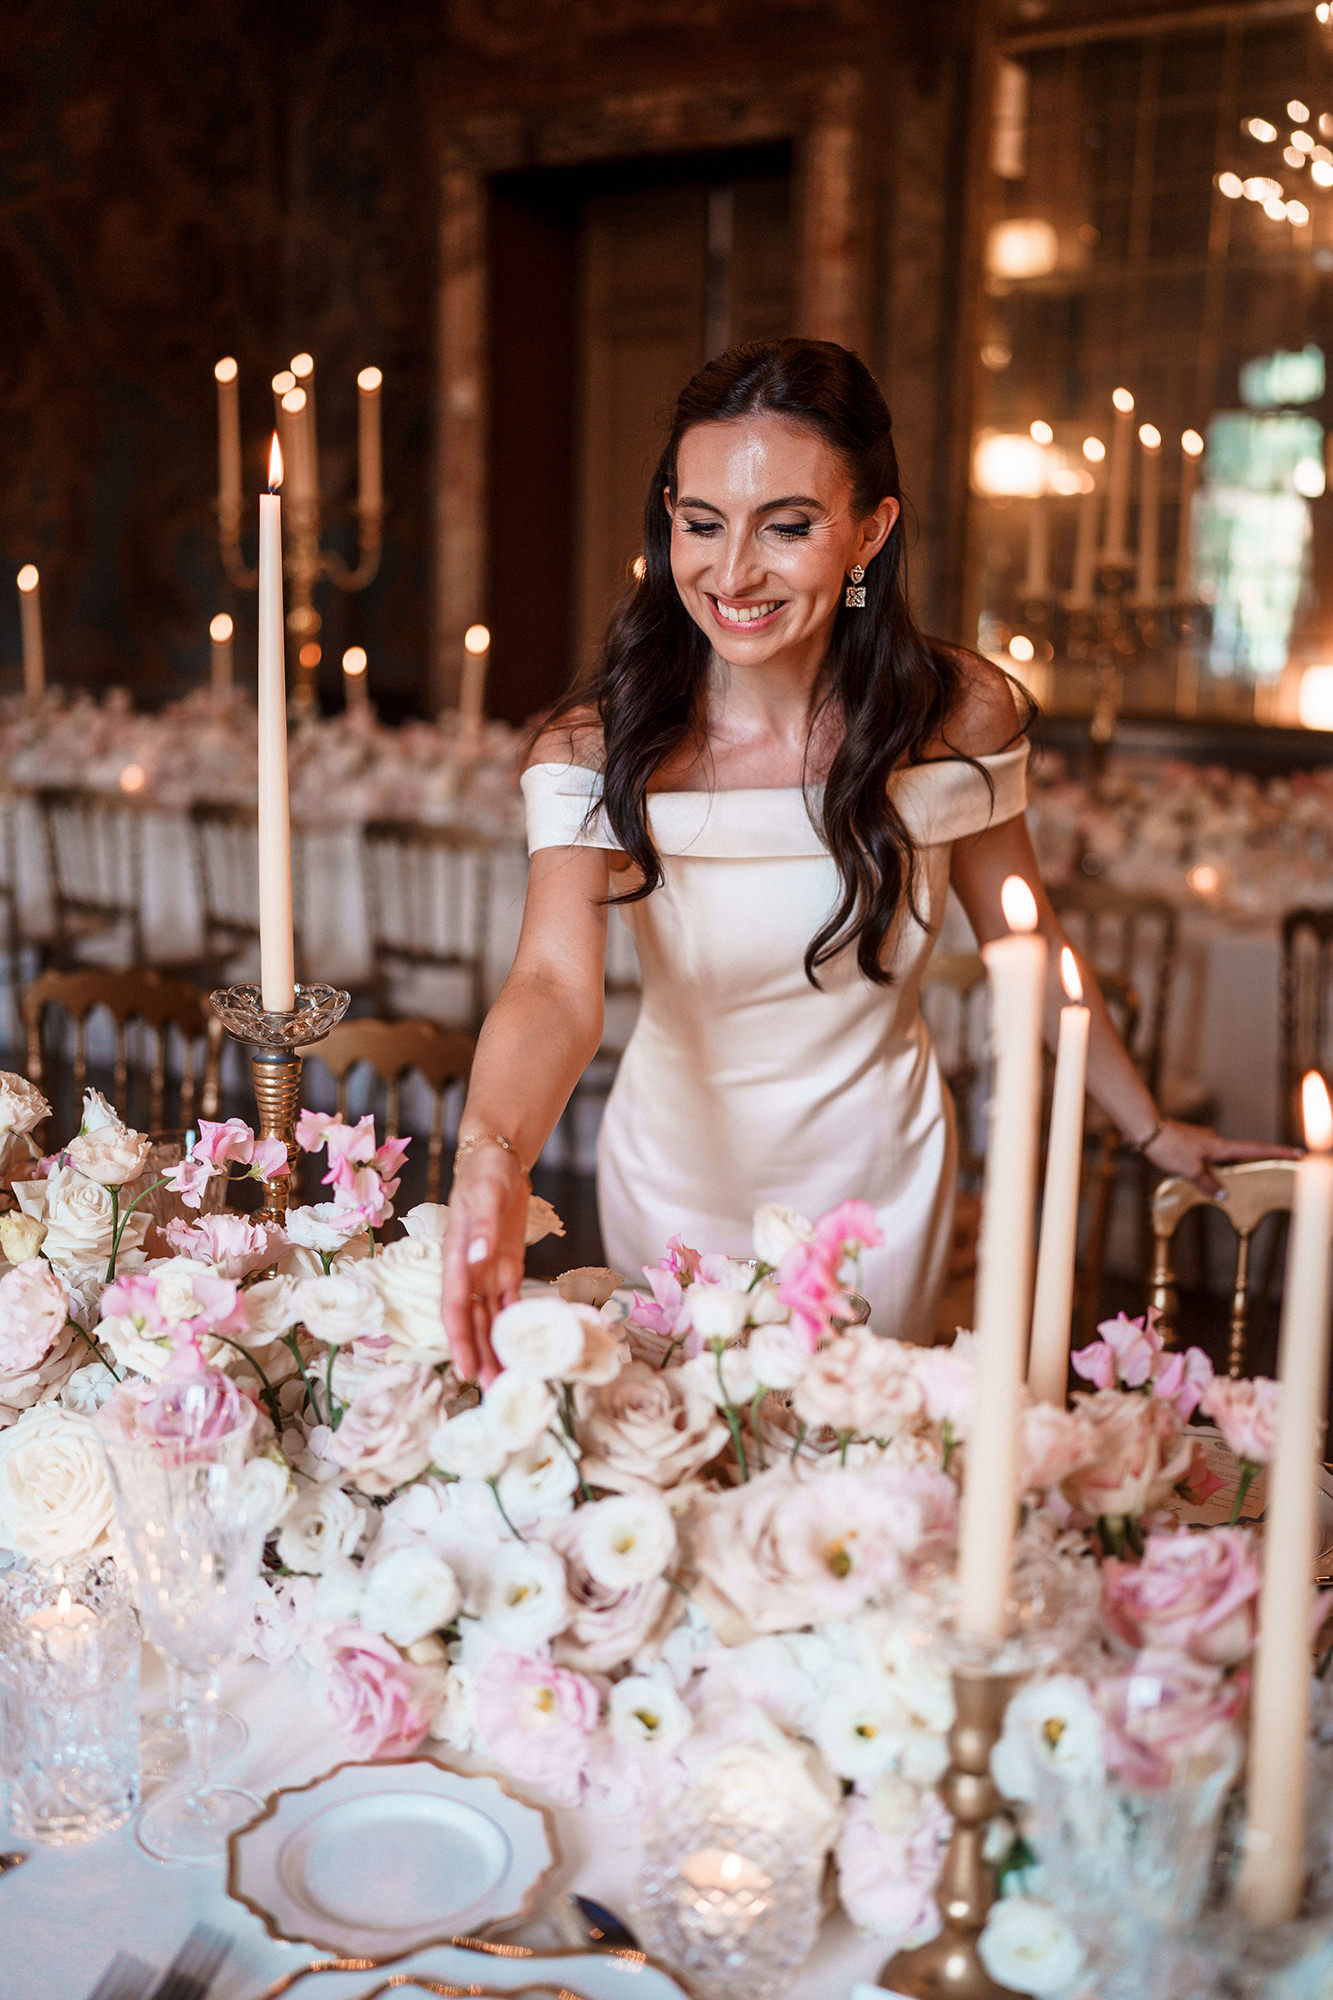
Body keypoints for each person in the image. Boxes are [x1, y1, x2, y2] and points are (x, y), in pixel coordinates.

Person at [441, 337, 1288, 1384]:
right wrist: (491, 1158)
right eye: (700, 523)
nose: (732, 571)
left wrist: (1148, 1125)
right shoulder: (597, 740)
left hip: (878, 1178)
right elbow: (551, 982)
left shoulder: (954, 712)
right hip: (675, 1167)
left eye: (785, 526)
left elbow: (1024, 938)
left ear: (868, 532)